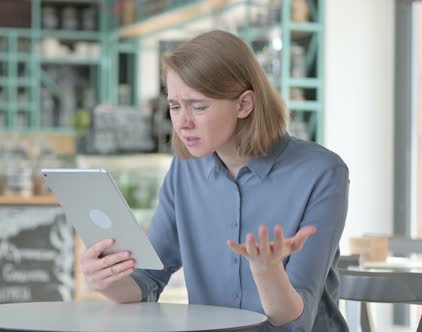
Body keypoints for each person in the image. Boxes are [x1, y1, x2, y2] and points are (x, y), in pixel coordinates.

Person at [79, 30, 349, 331]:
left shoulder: (322, 172)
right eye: (175, 106)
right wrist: (105, 280)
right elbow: (147, 281)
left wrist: (267, 270)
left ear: (244, 105)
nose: (182, 122)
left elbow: (295, 321)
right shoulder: (185, 170)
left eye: (198, 106)